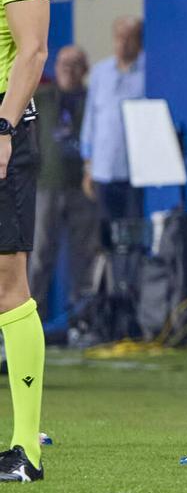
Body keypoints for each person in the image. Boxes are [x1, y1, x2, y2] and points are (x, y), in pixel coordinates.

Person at [0, 0, 52, 482]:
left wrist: (4, 127)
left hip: (2, 128)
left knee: (8, 286)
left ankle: (25, 450)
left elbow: (33, 50)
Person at [28, 46, 98, 316]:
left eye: (75, 64)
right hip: (48, 184)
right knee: (41, 252)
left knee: (83, 253)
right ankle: (33, 314)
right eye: (64, 64)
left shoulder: (92, 100)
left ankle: (79, 316)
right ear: (55, 68)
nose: (69, 70)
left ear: (85, 69)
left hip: (82, 186)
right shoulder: (42, 98)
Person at [81, 17, 146, 240]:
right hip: (104, 168)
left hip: (135, 170)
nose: (123, 44)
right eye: (119, 38)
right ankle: (112, 275)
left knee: (133, 234)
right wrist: (88, 165)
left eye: (129, 38)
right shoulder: (101, 72)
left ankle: (132, 274)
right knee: (106, 235)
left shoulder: (149, 71)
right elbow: (91, 119)